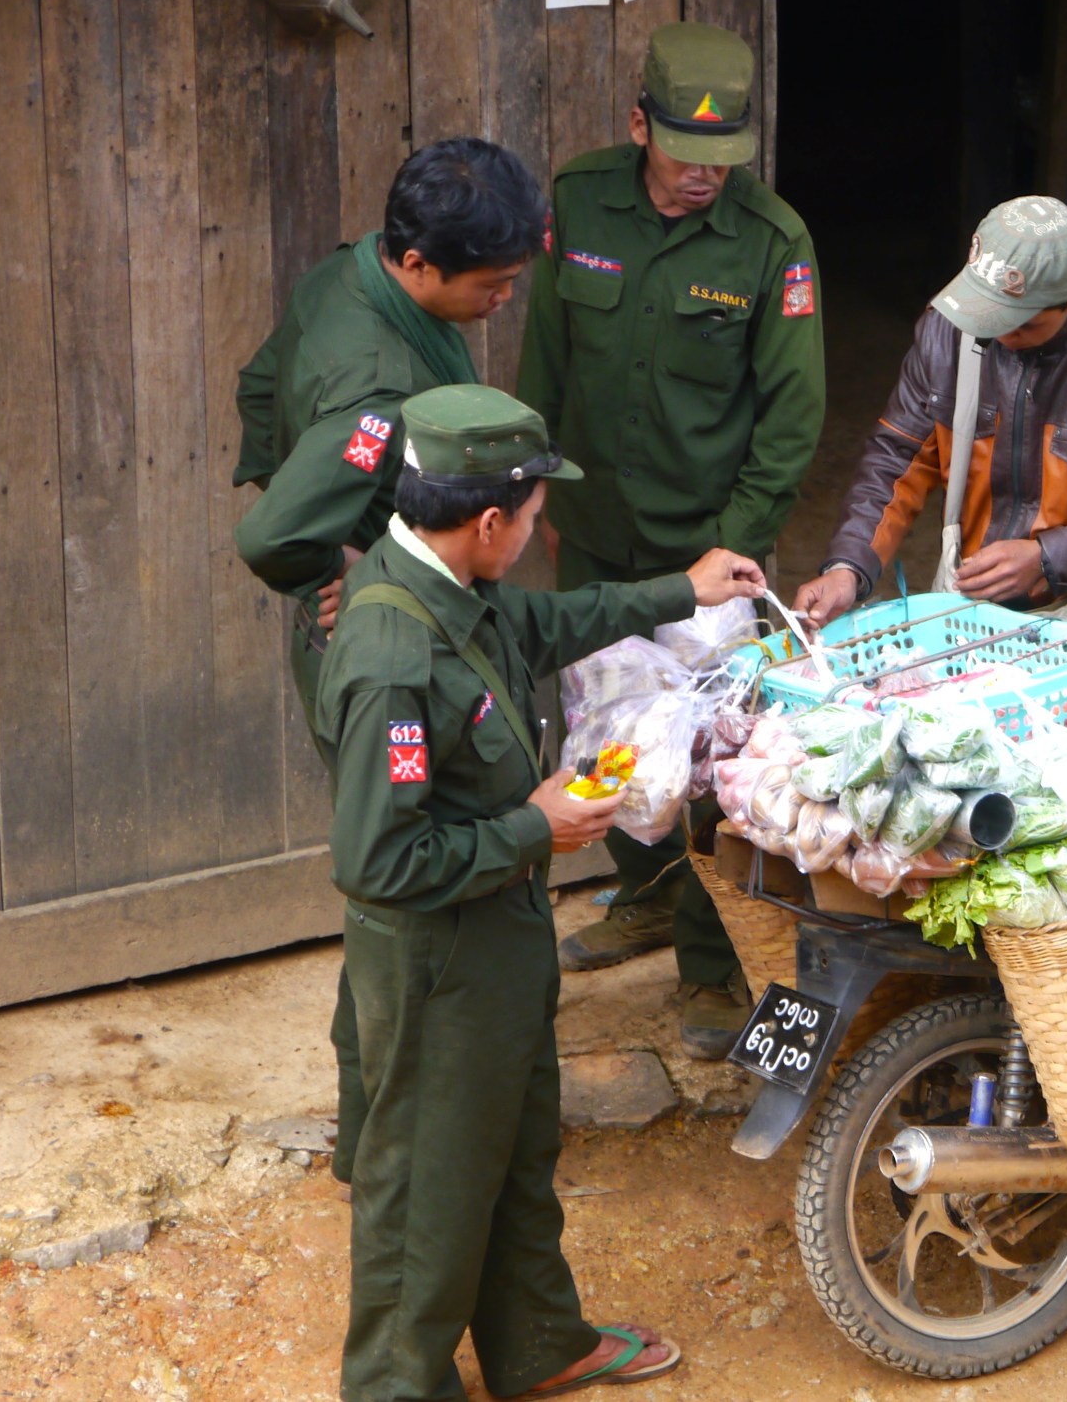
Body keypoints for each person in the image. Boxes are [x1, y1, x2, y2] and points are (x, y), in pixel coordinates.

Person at [317, 383, 765, 1399]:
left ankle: (533, 1345)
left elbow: (552, 619)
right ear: (487, 521)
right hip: (438, 962)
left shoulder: (455, 590)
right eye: (531, 514)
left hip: (497, 934)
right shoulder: (395, 654)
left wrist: (679, 590)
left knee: (513, 1152)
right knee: (424, 1185)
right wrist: (537, 828)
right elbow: (377, 863)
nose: (539, 529)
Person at [233, 137, 546, 1182]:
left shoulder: (349, 271)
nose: (504, 299)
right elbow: (271, 536)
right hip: (385, 642)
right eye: (491, 284)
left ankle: (373, 1131)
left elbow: (257, 384)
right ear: (417, 265)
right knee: (404, 887)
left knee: (387, 890)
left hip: (400, 614)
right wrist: (345, 558)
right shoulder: (377, 380)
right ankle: (404, 1139)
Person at [517, 21, 825, 1044]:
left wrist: (728, 552)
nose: (704, 177)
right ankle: (639, 893)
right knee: (606, 736)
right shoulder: (578, 201)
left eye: (723, 159)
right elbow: (544, 369)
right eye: (685, 154)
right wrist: (544, 503)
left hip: (709, 552)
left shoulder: (770, 242)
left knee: (708, 760)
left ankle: (707, 955)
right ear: (636, 122)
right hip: (597, 538)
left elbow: (789, 422)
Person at [793, 194, 1067, 635]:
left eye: (1023, 323)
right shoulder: (947, 330)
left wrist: (1048, 558)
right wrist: (850, 564)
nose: (1001, 333)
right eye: (988, 314)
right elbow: (897, 458)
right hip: (975, 594)